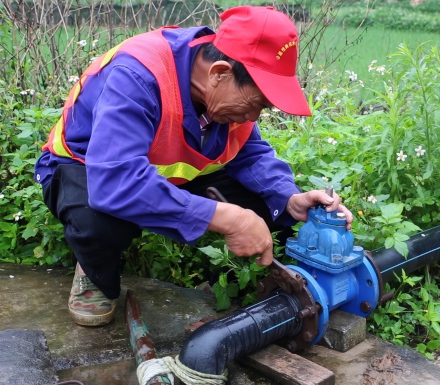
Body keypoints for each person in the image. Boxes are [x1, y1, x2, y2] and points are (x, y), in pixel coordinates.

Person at [35, 5, 353, 327]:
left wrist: (288, 197)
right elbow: (116, 181)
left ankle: (278, 284)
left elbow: (251, 154)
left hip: (160, 175)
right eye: (256, 104)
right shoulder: (137, 75)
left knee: (268, 203)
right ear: (219, 73)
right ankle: (93, 271)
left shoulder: (225, 94)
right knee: (100, 219)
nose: (254, 117)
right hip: (88, 170)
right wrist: (229, 219)